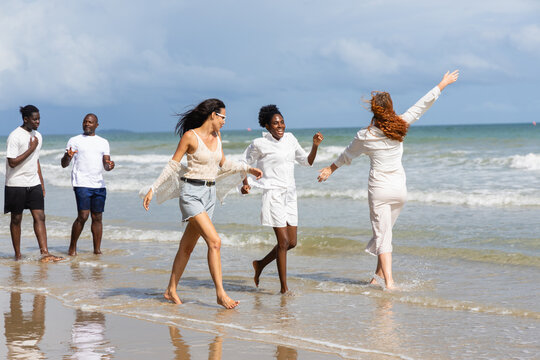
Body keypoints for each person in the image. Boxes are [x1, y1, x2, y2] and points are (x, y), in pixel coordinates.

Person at [317, 71, 459, 289]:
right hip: (399, 190)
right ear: (391, 108)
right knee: (385, 233)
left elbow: (347, 155)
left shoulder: (365, 136)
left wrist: (330, 168)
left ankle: (390, 283)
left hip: (380, 190)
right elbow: (421, 106)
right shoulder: (401, 124)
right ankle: (377, 277)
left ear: (374, 110)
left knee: (383, 237)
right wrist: (442, 84)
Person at [142, 98, 263, 309]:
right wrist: (153, 188)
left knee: (187, 247)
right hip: (191, 194)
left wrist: (248, 169)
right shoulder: (191, 136)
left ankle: (171, 289)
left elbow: (224, 164)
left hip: (209, 195)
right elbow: (172, 165)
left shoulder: (218, 136)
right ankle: (220, 294)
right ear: (213, 115)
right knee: (215, 242)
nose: (225, 121)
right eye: (223, 117)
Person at [241, 105, 324, 293]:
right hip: (273, 193)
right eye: (275, 123)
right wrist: (245, 183)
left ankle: (260, 264)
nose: (280, 126)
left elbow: (307, 161)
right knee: (283, 242)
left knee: (291, 242)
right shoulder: (259, 143)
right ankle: (284, 289)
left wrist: (315, 146)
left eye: (282, 122)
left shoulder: (290, 139)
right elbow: (243, 164)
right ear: (267, 126)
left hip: (290, 194)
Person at [4, 105, 62, 261]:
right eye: (35, 119)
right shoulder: (15, 136)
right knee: (16, 219)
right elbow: (12, 162)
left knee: (40, 216)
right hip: (16, 184)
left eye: (39, 119)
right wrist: (31, 148)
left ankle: (45, 253)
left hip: (33, 183)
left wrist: (41, 183)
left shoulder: (38, 136)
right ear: (26, 119)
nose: (38, 122)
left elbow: (35, 161)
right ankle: (17, 255)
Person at [61, 114, 115, 256]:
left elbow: (106, 164)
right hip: (81, 183)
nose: (87, 124)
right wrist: (68, 156)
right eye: (85, 122)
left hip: (99, 184)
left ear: (96, 125)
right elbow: (64, 164)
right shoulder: (74, 140)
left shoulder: (103, 142)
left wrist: (110, 165)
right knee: (83, 215)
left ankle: (97, 250)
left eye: (90, 122)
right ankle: (72, 248)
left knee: (97, 217)